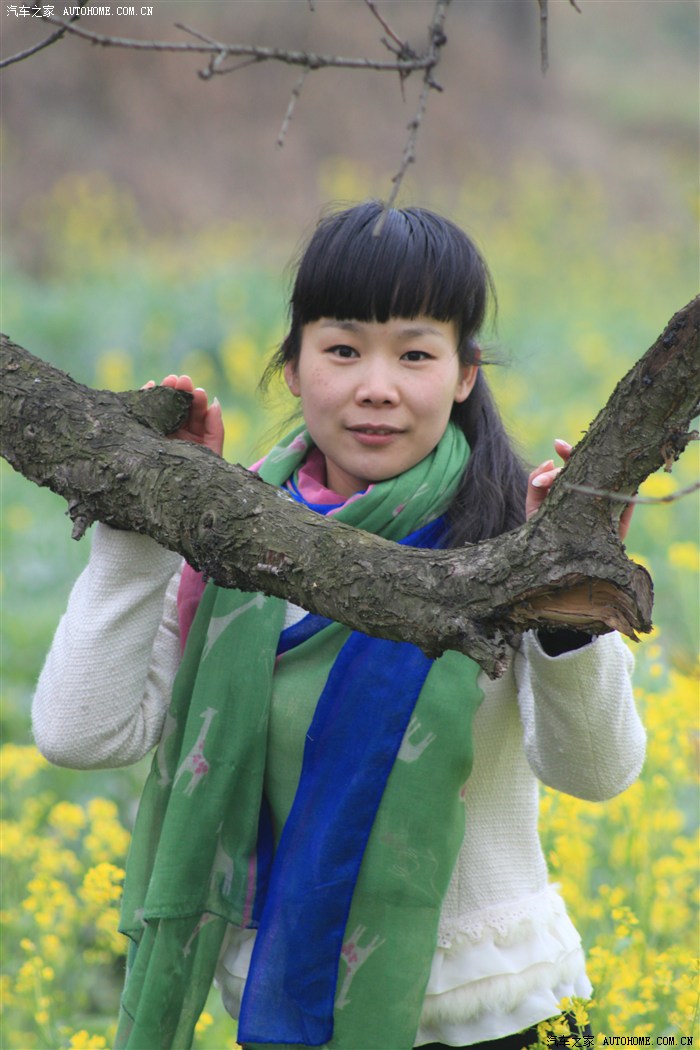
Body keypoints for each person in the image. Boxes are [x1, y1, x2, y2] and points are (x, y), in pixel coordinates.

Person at [32, 201, 645, 1050]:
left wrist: (574, 595)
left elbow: (597, 773)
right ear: (291, 364)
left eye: (417, 353)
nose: (377, 387)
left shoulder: (510, 540)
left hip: (500, 1016)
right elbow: (79, 734)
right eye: (344, 349)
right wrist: (143, 521)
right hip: (294, 1015)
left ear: (465, 373)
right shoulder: (236, 541)